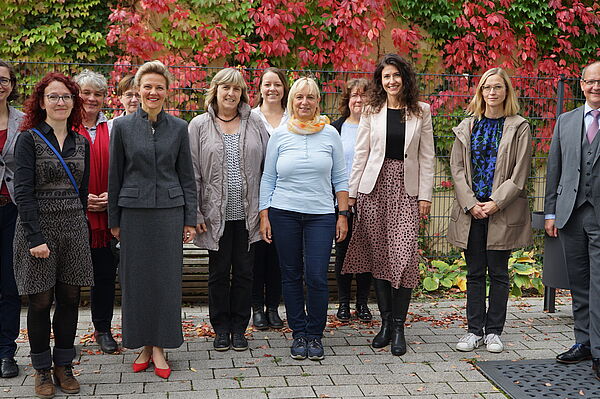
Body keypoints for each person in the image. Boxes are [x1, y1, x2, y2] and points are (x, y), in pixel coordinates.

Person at [108, 60, 197, 379]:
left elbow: (187, 177)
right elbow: (114, 176)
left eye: (159, 86)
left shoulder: (179, 127)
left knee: (165, 281)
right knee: (137, 282)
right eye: (147, 86)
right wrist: (113, 219)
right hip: (132, 215)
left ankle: (160, 346)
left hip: (169, 215)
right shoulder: (121, 127)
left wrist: (190, 217)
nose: (153, 91)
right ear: (138, 90)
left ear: (167, 91)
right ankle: (143, 344)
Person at [342, 54, 434, 356]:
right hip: (374, 188)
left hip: (406, 191)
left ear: (404, 78)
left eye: (396, 75)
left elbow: (426, 157)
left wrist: (425, 196)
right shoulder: (372, 110)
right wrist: (352, 194)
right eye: (386, 77)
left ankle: (399, 327)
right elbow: (361, 153)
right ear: (380, 81)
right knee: (379, 255)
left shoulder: (422, 111)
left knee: (404, 257)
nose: (391, 81)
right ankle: (384, 324)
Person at [14, 72, 92, 398]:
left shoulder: (82, 142)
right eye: (53, 96)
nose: (60, 102)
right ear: (42, 102)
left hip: (73, 227)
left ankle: (64, 364)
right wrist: (34, 238)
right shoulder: (28, 139)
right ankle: (42, 369)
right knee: (40, 300)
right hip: (40, 229)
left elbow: (83, 193)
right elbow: (23, 192)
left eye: (66, 97)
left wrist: (80, 227)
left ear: (73, 102)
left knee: (71, 298)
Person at [259, 77, 349, 361]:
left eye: (310, 97)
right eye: (299, 97)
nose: (305, 102)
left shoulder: (330, 134)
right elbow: (268, 177)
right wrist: (265, 214)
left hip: (321, 215)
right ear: (291, 101)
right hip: (283, 212)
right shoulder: (281, 135)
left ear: (318, 101)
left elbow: (340, 178)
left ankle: (315, 334)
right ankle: (299, 333)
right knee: (291, 275)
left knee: (317, 276)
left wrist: (342, 214)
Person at [447, 67, 532, 354]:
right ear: (480, 92)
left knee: (497, 272)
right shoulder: (468, 125)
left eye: (497, 87)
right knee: (474, 273)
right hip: (472, 212)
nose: (491, 92)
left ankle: (494, 331)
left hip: (501, 210)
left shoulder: (519, 126)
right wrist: (471, 203)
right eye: (486, 87)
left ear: (506, 91)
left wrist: (496, 202)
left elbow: (520, 173)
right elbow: (457, 169)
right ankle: (474, 331)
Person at [189, 68, 269, 351]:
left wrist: (265, 212)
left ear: (242, 93)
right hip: (215, 216)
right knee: (219, 273)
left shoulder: (255, 123)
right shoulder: (198, 125)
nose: (231, 93)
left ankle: (239, 328)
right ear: (216, 90)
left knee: (245, 273)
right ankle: (220, 328)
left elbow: (267, 169)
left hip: (248, 215)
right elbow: (193, 172)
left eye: (236, 89)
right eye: (226, 88)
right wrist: (195, 212)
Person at [545, 61, 600, 377]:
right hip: (570, 214)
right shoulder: (565, 121)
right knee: (579, 282)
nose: (595, 87)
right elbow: (554, 168)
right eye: (590, 82)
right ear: (581, 85)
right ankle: (584, 343)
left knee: (598, 285)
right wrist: (550, 211)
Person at [73, 69, 119, 355]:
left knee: (104, 276)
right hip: (72, 216)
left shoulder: (115, 128)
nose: (91, 98)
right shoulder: (62, 126)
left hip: (107, 218)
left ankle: (103, 329)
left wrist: (110, 198)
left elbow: (126, 170)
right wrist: (81, 199)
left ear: (104, 98)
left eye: (98, 94)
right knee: (69, 279)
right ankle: (65, 336)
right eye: (86, 92)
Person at [251, 67, 289, 330]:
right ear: (260, 88)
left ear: (284, 88)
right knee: (256, 254)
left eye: (277, 84)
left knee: (278, 254)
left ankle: (273, 307)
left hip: (285, 195)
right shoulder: (250, 118)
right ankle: (256, 309)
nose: (272, 89)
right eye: (267, 84)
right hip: (254, 194)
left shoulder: (293, 117)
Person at [331, 78, 373, 322]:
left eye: (364, 95)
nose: (359, 100)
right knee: (343, 251)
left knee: (365, 253)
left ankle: (363, 304)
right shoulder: (335, 128)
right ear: (347, 100)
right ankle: (344, 303)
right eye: (354, 95)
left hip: (368, 199)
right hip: (341, 201)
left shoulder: (376, 127)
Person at [0, 60, 24, 379]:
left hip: (13, 210)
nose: (0, 85)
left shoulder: (23, 121)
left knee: (9, 284)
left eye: (4, 80)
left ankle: (6, 351)